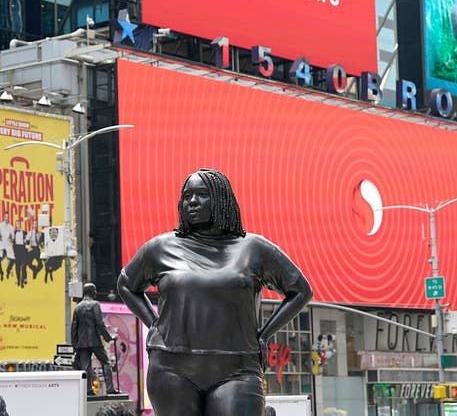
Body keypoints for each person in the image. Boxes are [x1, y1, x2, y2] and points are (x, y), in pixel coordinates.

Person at [117, 168, 312, 416]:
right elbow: (126, 284)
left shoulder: (254, 248)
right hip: (171, 368)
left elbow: (300, 291)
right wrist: (154, 323)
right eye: (187, 196)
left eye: (201, 195)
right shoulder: (161, 247)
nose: (192, 202)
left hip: (237, 369)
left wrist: (263, 335)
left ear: (221, 199)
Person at [72, 283, 119, 396]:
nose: (96, 293)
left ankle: (88, 391)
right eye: (95, 291)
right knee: (105, 362)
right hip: (94, 341)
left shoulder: (77, 307)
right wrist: (109, 338)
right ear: (91, 291)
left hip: (82, 343)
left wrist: (74, 344)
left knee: (86, 366)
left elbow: (74, 327)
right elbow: (99, 323)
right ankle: (110, 389)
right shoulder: (95, 304)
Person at [0, 211, 15, 281]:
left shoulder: (11, 227)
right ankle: (1, 272)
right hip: (1, 244)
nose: (7, 218)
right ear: (3, 217)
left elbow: (13, 237)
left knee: (12, 260)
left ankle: (8, 270)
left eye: (8, 217)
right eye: (5, 217)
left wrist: (11, 237)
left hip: (8, 245)